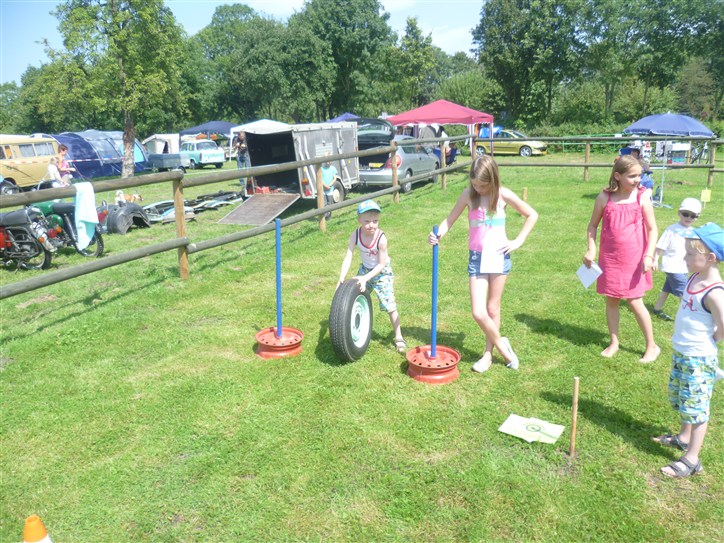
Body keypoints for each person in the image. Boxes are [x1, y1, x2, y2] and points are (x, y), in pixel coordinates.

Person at [428, 155, 538, 372]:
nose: (478, 189)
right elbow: (449, 220)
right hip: (477, 259)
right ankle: (503, 347)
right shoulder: (468, 196)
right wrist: (437, 234)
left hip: (499, 256)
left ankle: (488, 354)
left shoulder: (503, 195)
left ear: (493, 180)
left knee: (492, 308)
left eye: (482, 185)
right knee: (478, 312)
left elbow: (532, 215)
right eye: (475, 184)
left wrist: (518, 241)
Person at [653, 222, 723, 478]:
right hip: (682, 352)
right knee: (684, 399)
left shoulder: (715, 293)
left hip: (698, 357)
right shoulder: (694, 277)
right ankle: (684, 437)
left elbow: (723, 327)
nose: (685, 257)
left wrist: (708, 342)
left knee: (697, 408)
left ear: (710, 258)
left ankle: (692, 459)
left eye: (690, 254)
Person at [583, 155, 660, 362]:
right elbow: (592, 225)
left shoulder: (641, 198)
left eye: (639, 175)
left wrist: (649, 255)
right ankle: (614, 342)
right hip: (610, 259)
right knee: (612, 299)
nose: (638, 180)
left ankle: (651, 345)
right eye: (632, 176)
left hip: (634, 260)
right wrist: (591, 249)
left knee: (635, 301)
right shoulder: (604, 198)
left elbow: (652, 229)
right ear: (617, 176)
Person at [337, 200, 406, 353]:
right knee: (351, 296)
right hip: (365, 270)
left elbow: (381, 265)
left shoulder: (381, 239)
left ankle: (399, 336)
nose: (371, 225)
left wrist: (364, 278)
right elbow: (349, 255)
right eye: (367, 221)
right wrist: (341, 277)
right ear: (359, 220)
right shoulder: (355, 235)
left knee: (390, 305)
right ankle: (353, 328)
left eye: (375, 221)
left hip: (382, 273)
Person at [652, 197, 702, 320]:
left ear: (697, 217)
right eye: (685, 214)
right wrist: (655, 259)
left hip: (683, 267)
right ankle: (689, 317)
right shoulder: (672, 229)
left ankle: (656, 309)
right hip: (673, 267)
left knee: (667, 289)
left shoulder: (693, 232)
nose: (688, 218)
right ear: (679, 213)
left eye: (693, 216)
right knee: (685, 293)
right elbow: (660, 246)